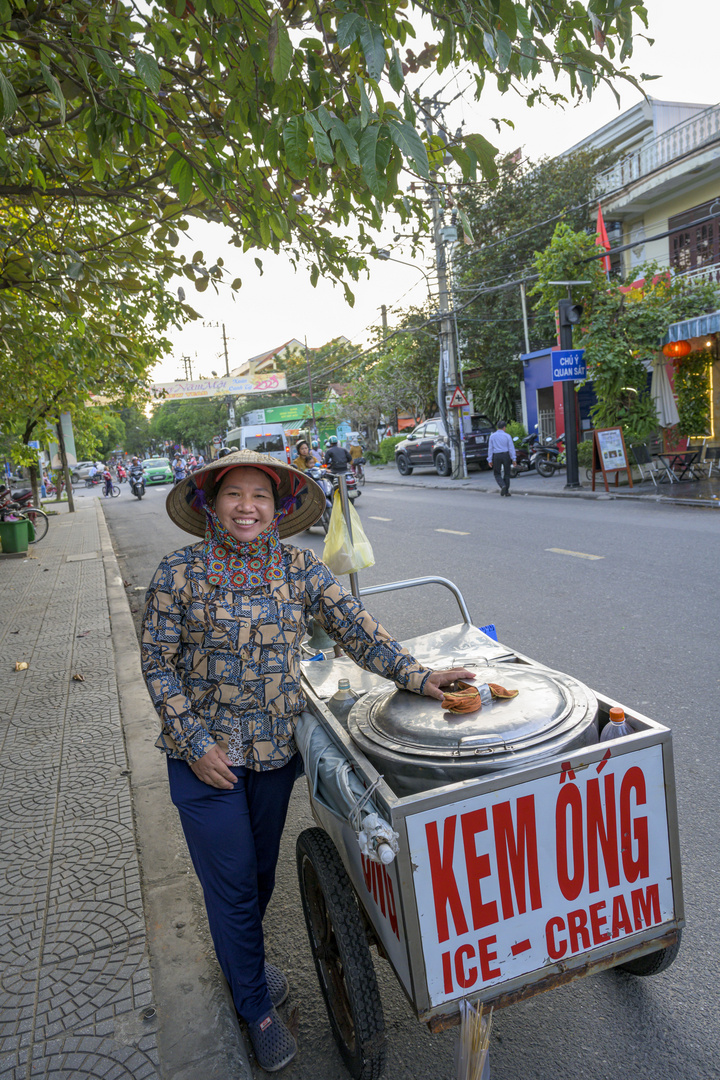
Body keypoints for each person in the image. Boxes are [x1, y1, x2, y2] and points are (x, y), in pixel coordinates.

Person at [140, 449, 474, 1072]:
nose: (247, 507)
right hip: (204, 761)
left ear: (279, 507)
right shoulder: (178, 573)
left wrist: (422, 677)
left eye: (260, 497)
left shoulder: (299, 568)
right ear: (212, 505)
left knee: (258, 877)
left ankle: (245, 961)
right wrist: (191, 741)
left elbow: (358, 631)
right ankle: (254, 1007)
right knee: (234, 884)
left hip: (272, 753)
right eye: (234, 495)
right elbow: (157, 664)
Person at [487, 420, 516, 496]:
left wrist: (489, 460)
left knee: (497, 473)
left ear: (497, 427)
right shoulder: (507, 436)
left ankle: (502, 485)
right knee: (507, 473)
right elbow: (511, 448)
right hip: (506, 455)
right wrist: (514, 459)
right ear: (504, 427)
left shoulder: (492, 436)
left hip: (497, 455)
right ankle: (506, 491)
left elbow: (490, 448)